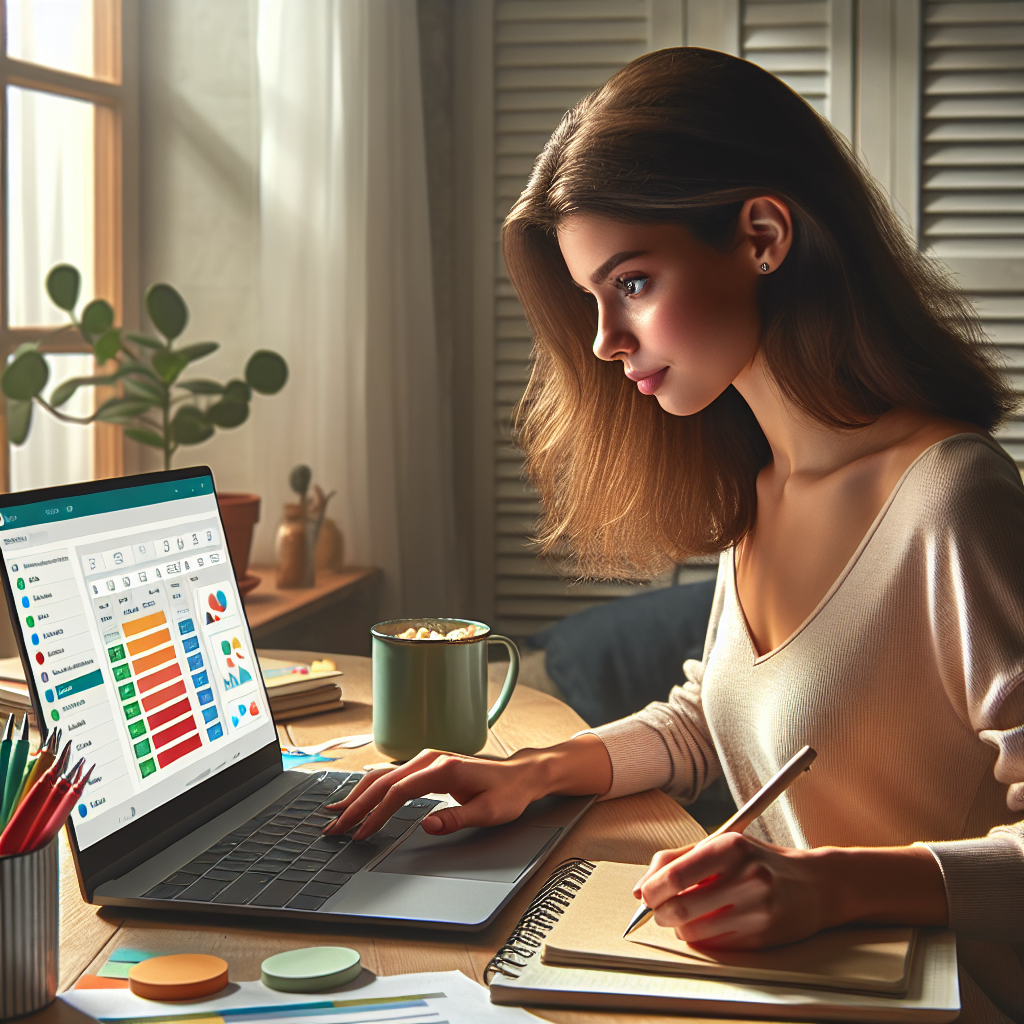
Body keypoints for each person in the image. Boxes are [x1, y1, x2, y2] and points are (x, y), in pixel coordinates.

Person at [325, 49, 1023, 1020]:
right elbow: (719, 718)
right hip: (786, 988)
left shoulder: (951, 501)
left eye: (634, 283)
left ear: (763, 235)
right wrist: (527, 773)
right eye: (591, 299)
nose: (605, 337)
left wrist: (828, 884)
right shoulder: (761, 489)